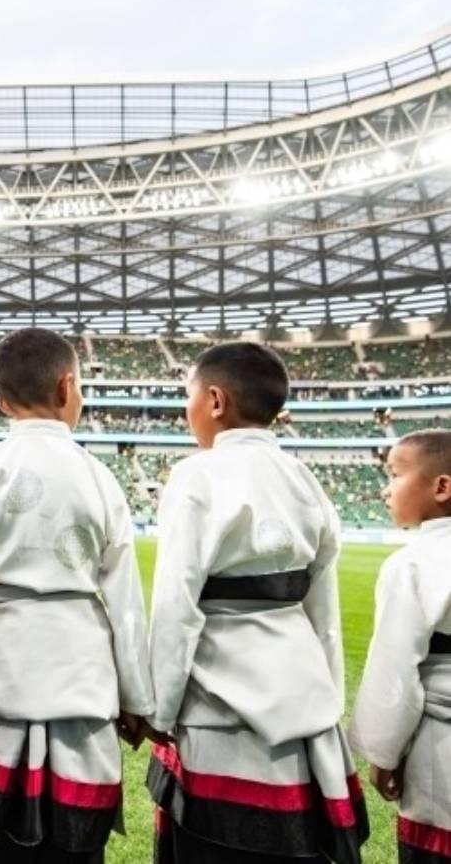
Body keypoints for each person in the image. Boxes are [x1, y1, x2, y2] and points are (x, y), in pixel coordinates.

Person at [146, 342, 367, 864]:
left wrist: (158, 708)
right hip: (301, 702)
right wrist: (327, 695)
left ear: (215, 401)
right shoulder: (304, 478)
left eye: (189, 398)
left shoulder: (195, 475)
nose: (188, 412)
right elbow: (324, 610)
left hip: (218, 706)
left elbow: (176, 606)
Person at [0, 328, 154, 863]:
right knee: (74, 849)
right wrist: (138, 699)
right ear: (68, 387)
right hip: (81, 683)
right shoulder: (99, 478)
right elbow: (126, 603)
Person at [350, 430, 451, 863]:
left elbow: (395, 669)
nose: (386, 489)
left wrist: (383, 753)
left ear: (441, 487)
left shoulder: (414, 562)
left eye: (395, 474)